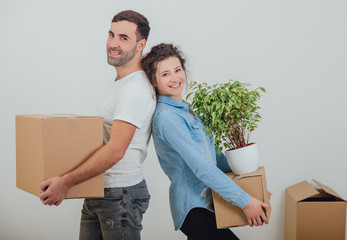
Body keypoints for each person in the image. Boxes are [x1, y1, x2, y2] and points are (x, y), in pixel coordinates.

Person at [39, 10, 156, 240]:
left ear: (141, 45)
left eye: (124, 38)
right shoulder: (121, 84)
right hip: (99, 190)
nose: (113, 43)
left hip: (119, 195)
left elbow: (115, 150)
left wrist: (66, 182)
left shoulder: (134, 89)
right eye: (111, 34)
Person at [141, 43, 269, 240]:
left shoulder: (187, 109)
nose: (175, 78)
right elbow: (202, 167)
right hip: (193, 210)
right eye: (165, 74)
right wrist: (245, 201)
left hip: (209, 204)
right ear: (154, 81)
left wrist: (252, 187)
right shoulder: (167, 117)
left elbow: (215, 159)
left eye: (177, 70)